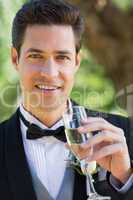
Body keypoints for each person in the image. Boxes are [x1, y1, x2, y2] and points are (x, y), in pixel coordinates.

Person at [0, 0, 133, 199]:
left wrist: (125, 179)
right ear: (15, 59)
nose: (50, 73)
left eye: (62, 57)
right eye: (36, 56)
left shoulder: (126, 136)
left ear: (77, 62)